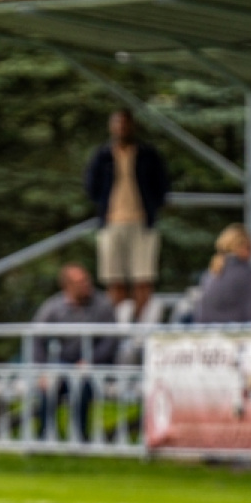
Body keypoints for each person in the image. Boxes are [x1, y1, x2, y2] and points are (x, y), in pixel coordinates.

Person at [85, 108, 170, 320]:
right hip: (111, 222)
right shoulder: (102, 155)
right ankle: (120, 329)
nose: (122, 128)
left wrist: (152, 205)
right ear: (111, 126)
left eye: (125, 123)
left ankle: (139, 330)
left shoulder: (147, 154)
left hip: (142, 222)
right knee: (114, 278)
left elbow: (162, 185)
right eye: (117, 123)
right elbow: (91, 187)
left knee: (143, 278)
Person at [33, 263, 118, 441]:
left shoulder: (102, 304)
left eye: (86, 280)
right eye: (80, 282)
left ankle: (80, 437)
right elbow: (37, 338)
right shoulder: (53, 307)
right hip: (64, 364)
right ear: (67, 286)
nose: (86, 284)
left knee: (82, 386)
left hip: (97, 366)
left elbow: (111, 340)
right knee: (49, 386)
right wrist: (42, 371)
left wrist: (91, 361)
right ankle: (44, 436)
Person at [194, 224, 251, 324]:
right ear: (241, 247)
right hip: (245, 334)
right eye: (250, 247)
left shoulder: (210, 274)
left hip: (210, 334)